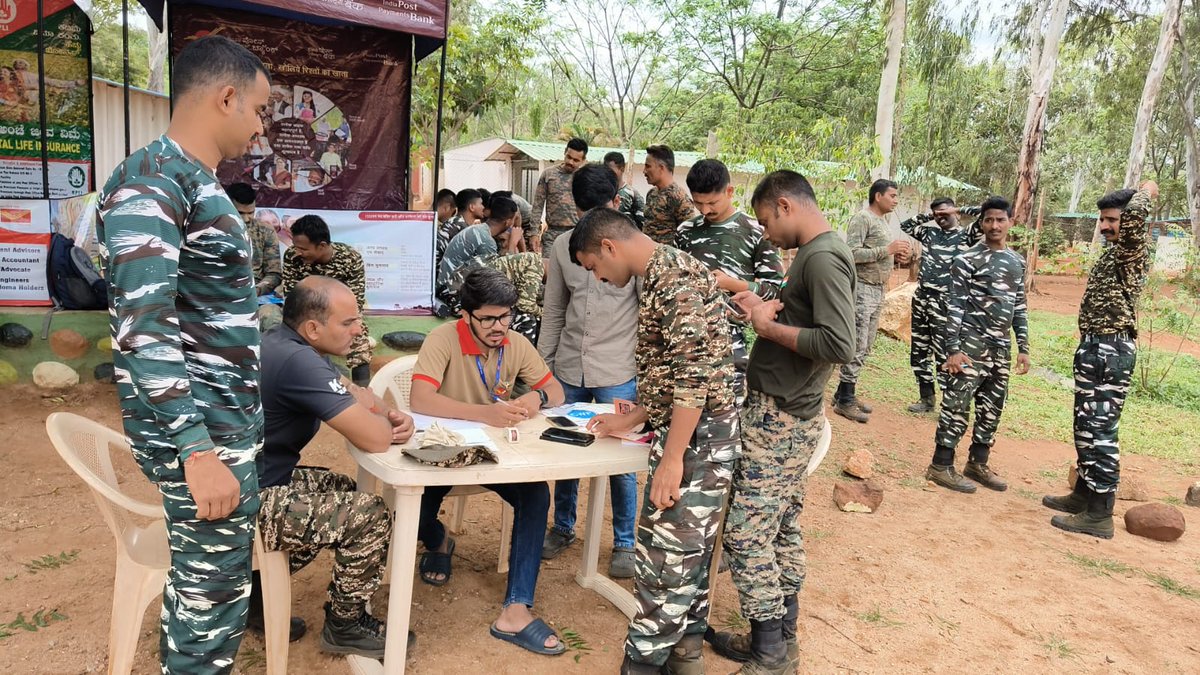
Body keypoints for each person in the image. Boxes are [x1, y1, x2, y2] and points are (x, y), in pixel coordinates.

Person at [96, 35, 270, 674]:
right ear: (226, 97)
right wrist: (196, 451)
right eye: (258, 109)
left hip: (221, 425)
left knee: (209, 593)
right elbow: (145, 327)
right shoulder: (154, 180)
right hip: (200, 436)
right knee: (210, 606)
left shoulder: (190, 180)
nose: (260, 127)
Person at [570, 208, 739, 675]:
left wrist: (673, 459)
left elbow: (694, 377)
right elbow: (680, 370)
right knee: (689, 554)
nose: (598, 278)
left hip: (698, 437)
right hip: (697, 429)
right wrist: (633, 419)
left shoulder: (672, 280)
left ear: (609, 247)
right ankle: (685, 654)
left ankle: (643, 662)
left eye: (594, 267)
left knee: (667, 557)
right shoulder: (670, 268)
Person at [705, 170, 856, 674]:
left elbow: (838, 343)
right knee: (781, 527)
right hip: (788, 411)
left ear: (786, 205)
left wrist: (768, 329)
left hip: (782, 419)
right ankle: (780, 640)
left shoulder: (823, 257)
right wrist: (759, 308)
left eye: (767, 221)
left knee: (747, 534)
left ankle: (770, 655)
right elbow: (804, 321)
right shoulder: (814, 254)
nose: (766, 234)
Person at [409, 268, 567, 656]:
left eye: (506, 316)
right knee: (414, 516)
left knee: (536, 495)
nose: (499, 327)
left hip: (494, 454)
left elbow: (555, 390)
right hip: (442, 451)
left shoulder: (515, 342)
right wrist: (485, 414)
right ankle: (439, 540)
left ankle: (516, 609)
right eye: (488, 319)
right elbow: (420, 400)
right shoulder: (442, 338)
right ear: (466, 315)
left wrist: (535, 398)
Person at [257, 277, 416, 658]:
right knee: (369, 514)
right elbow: (375, 438)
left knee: (342, 489)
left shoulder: (289, 344)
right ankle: (345, 626)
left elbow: (364, 397)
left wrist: (391, 415)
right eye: (348, 322)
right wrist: (385, 423)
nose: (359, 329)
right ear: (313, 328)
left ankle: (253, 596)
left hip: (255, 480)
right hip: (248, 499)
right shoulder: (298, 361)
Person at [537, 163, 639, 578]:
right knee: (567, 448)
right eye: (585, 213)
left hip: (618, 371)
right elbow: (554, 311)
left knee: (622, 458)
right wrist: (543, 368)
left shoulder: (633, 249)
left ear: (616, 203)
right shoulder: (564, 247)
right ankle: (563, 527)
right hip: (569, 368)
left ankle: (625, 542)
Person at [1044, 181, 1158, 539]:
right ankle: (1084, 494)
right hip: (1095, 348)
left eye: (1112, 220)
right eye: (1102, 220)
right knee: (1084, 425)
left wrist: (1147, 189)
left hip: (1112, 350)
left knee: (1101, 431)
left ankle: (1100, 514)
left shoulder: (1131, 249)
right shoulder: (1112, 253)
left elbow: (1136, 214)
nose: (1105, 226)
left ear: (1129, 222)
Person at [925, 196, 1031, 494]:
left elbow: (1019, 306)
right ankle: (940, 465)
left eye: (1000, 219)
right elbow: (955, 306)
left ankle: (977, 463)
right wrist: (952, 349)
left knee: (992, 407)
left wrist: (1023, 347)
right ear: (981, 223)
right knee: (956, 405)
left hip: (1000, 348)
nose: (995, 225)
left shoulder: (1017, 261)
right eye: (989, 220)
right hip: (969, 345)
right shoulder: (966, 259)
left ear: (1010, 222)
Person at [677, 159, 785, 404]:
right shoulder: (685, 231)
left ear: (729, 191)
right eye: (698, 203)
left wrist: (733, 284)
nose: (705, 211)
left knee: (725, 412)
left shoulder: (757, 231)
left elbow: (775, 290)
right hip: (685, 339)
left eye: (712, 202)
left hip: (730, 343)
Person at [834, 178, 910, 423]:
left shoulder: (882, 221)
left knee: (866, 344)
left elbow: (881, 253)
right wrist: (887, 250)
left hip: (878, 290)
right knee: (858, 343)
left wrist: (897, 255)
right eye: (893, 195)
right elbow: (851, 253)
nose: (896, 201)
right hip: (862, 289)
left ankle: (843, 393)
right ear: (878, 196)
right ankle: (845, 401)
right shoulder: (862, 218)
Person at [900, 198, 983, 412]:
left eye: (945, 213)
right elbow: (906, 225)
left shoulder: (967, 235)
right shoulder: (930, 233)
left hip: (947, 302)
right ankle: (926, 398)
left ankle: (950, 401)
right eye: (937, 215)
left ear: (956, 213)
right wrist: (932, 215)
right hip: (922, 298)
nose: (941, 217)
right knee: (919, 351)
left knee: (946, 352)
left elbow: (985, 213)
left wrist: (956, 209)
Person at [280, 215, 373, 386]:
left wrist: (332, 321)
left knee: (359, 340)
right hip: (304, 315)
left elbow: (355, 302)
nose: (298, 252)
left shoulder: (350, 259)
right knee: (281, 331)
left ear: (322, 246)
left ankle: (363, 392)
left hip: (339, 315)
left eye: (303, 249)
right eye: (296, 246)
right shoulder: (292, 257)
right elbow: (292, 297)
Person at [436, 195, 522, 309]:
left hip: (445, 290)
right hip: (451, 297)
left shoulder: (477, 230)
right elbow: (499, 277)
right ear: (508, 222)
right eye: (514, 220)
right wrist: (512, 245)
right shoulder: (486, 241)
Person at [530, 137, 587, 254]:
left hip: (577, 235)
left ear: (583, 160)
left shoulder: (585, 178)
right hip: (552, 235)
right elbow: (537, 205)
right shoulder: (548, 174)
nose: (571, 162)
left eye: (576, 160)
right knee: (548, 265)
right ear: (565, 152)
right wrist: (534, 233)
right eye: (569, 157)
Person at [642, 144, 698, 245]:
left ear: (661, 168)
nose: (644, 171)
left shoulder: (678, 197)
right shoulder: (651, 193)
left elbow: (689, 235)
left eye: (648, 166)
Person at [436, 188, 484, 265]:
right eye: (481, 204)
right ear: (472, 207)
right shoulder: (459, 227)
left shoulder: (456, 223)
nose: (483, 207)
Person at [604, 151, 645, 229]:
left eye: (611, 171)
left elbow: (641, 222)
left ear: (622, 169)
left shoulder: (632, 194)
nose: (608, 173)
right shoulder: (601, 192)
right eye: (605, 170)